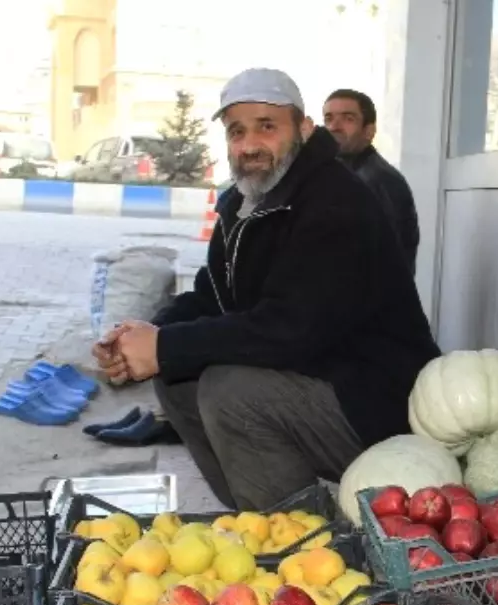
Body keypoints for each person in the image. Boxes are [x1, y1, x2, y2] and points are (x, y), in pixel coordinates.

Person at [93, 68, 440, 511]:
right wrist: (144, 337)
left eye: (267, 126)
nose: (250, 144)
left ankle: (303, 546)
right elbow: (211, 297)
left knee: (230, 392)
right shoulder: (245, 203)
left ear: (304, 129)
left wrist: (165, 345)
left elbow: (292, 329)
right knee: (178, 377)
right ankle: (256, 519)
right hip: (320, 383)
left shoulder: (337, 203)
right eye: (237, 131)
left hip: (380, 405)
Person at [322, 89, 420, 276]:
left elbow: (379, 263)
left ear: (369, 131)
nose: (334, 126)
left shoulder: (377, 181)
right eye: (328, 118)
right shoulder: (344, 174)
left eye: (348, 118)